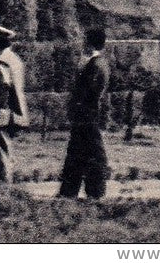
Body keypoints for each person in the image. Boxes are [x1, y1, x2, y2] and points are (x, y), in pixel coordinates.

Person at [59, 27, 110, 201]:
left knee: (89, 154)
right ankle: (71, 191)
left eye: (84, 40)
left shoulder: (94, 65)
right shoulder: (97, 63)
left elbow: (86, 92)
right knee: (78, 154)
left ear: (89, 42)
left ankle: (91, 192)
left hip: (87, 117)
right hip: (88, 116)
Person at [0, 24, 29, 189]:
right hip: (14, 113)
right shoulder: (15, 60)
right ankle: (3, 190)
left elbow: (3, 85)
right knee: (6, 152)